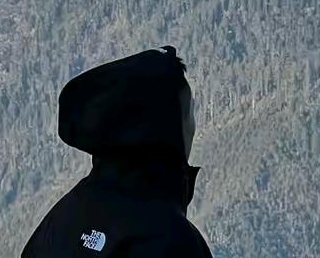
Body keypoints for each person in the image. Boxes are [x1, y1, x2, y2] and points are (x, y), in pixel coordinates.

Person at [21, 45, 213, 256]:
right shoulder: (170, 240)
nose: (193, 126)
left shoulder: (61, 219)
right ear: (163, 126)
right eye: (188, 112)